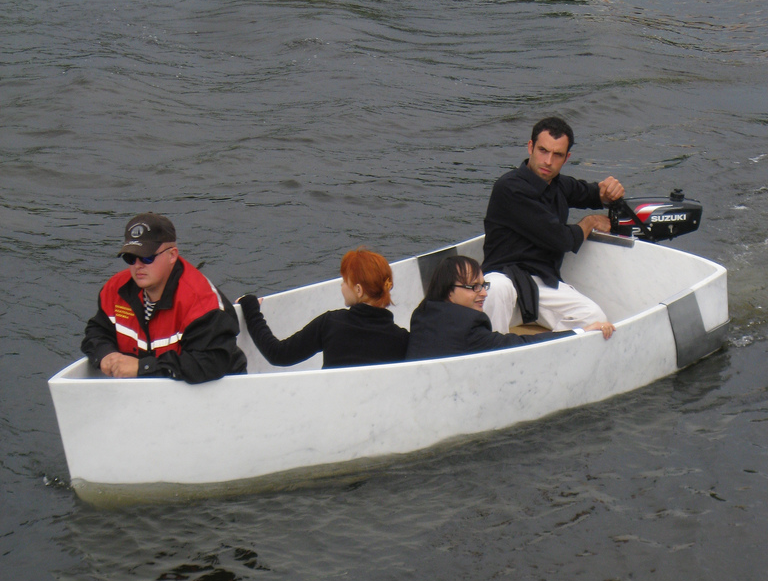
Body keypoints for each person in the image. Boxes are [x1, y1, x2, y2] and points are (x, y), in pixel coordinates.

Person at [482, 116, 625, 333]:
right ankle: (490, 350)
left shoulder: (559, 185)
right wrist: (590, 222)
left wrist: (608, 191)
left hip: (542, 285)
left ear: (566, 158)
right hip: (505, 279)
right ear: (530, 147)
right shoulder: (509, 188)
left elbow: (592, 193)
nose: (548, 161)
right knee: (496, 289)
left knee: (594, 317)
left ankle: (545, 352)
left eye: (557, 155)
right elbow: (562, 240)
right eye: (543, 150)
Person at [82, 212, 247, 382]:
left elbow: (210, 363)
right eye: (130, 257)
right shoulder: (114, 291)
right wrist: (105, 354)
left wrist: (142, 367)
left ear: (172, 255)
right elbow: (96, 331)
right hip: (150, 393)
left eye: (147, 257)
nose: (138, 266)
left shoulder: (201, 302)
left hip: (218, 391)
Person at [406, 255, 613, 361]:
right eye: (474, 287)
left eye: (483, 285)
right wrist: (581, 332)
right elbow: (519, 344)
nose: (484, 293)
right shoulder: (468, 326)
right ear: (449, 291)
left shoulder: (421, 314)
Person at [238, 247, 409, 369]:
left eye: (344, 280)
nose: (341, 285)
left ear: (358, 290)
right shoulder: (402, 340)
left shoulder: (332, 324)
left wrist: (251, 310)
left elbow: (278, 354)